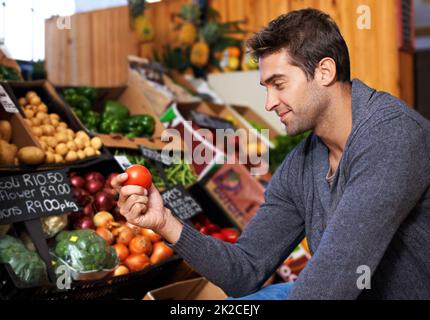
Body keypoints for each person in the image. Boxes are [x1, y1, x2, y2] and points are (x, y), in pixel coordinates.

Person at [111, 9, 430, 300]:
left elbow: (331, 286)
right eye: (266, 87)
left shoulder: (391, 136)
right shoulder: (303, 163)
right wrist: (165, 221)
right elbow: (244, 270)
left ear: (324, 71)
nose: (269, 103)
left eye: (279, 84)